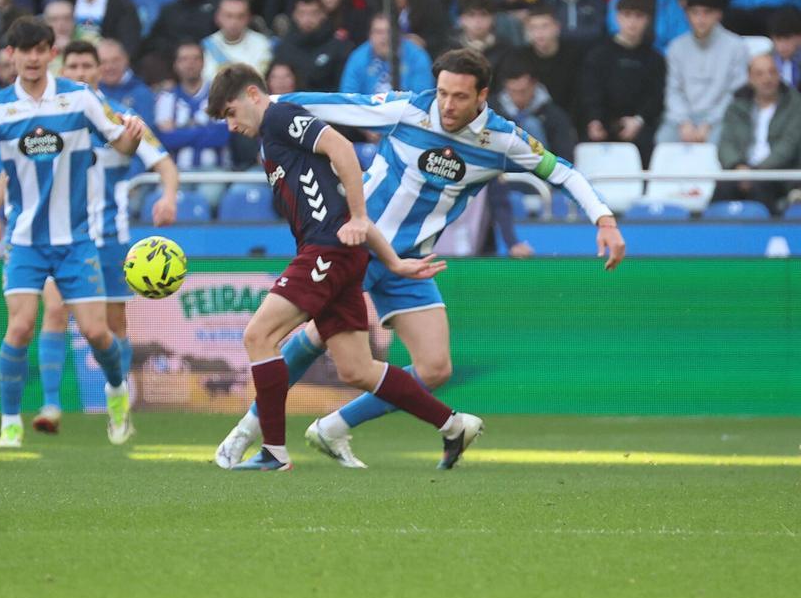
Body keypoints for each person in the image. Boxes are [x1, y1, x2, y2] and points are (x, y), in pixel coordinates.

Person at [213, 49, 625, 470]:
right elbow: (330, 104)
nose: (446, 105)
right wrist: (264, 105)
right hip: (358, 241)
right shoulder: (409, 108)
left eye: (459, 97)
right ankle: (249, 432)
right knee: (313, 335)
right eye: (442, 93)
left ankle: (333, 427)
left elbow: (563, 172)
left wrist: (604, 219)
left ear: (482, 95)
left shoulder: (503, 141)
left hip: (410, 261)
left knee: (434, 367)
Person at [205, 62, 478, 472]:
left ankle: (273, 452)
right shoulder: (270, 141)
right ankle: (453, 423)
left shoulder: (280, 117)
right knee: (357, 370)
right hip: (340, 253)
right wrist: (393, 262)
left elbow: (342, 149)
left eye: (229, 112)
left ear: (252, 95)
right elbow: (336, 201)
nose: (230, 125)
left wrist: (356, 215)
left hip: (326, 252)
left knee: (259, 335)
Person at [0, 17, 145, 448]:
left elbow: (120, 143)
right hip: (24, 240)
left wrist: (134, 138)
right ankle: (10, 422)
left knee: (97, 333)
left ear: (51, 53)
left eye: (39, 49)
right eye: (22, 50)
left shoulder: (79, 99)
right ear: (12, 55)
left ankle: (116, 392)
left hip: (76, 240)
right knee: (21, 327)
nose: (31, 57)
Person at [31, 41, 179, 433]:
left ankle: (118, 405)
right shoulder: (48, 118)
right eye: (73, 65)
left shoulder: (123, 117)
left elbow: (163, 161)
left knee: (114, 324)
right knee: (56, 311)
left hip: (111, 237)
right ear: (63, 70)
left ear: (99, 71)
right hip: (62, 235)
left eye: (87, 65)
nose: (80, 72)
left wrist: (168, 195)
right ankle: (50, 406)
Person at [580, 0, 667, 164]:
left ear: (647, 20)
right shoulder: (598, 54)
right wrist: (595, 119)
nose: (632, 22)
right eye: (627, 15)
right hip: (602, 123)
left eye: (638, 16)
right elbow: (590, 90)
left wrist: (639, 120)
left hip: (641, 125)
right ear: (617, 17)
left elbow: (657, 95)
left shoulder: (655, 58)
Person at [658, 0, 749, 145]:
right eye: (695, 13)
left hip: (722, 117)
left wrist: (708, 123)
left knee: (718, 147)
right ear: (687, 15)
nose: (700, 19)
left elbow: (735, 93)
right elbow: (673, 90)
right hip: (682, 118)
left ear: (718, 15)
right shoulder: (677, 47)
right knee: (663, 143)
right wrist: (684, 122)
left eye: (707, 12)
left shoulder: (736, 46)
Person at [717, 53, 801, 209]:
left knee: (760, 190)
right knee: (722, 189)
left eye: (772, 72)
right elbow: (726, 143)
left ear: (779, 75)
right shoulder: (736, 107)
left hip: (778, 174)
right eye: (760, 74)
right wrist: (738, 167)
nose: (767, 79)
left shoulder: (795, 104)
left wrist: (756, 172)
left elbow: (788, 146)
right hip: (740, 171)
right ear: (750, 78)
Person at [155, 42, 231, 171]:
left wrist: (180, 131)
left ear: (203, 63)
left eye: (195, 58)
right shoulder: (166, 98)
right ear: (175, 65)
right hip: (176, 171)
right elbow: (165, 140)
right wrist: (206, 129)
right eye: (184, 59)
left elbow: (222, 136)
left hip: (213, 171)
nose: (190, 64)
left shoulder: (220, 94)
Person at [491, 58, 578, 161]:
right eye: (512, 91)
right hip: (503, 170)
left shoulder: (553, 115)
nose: (517, 98)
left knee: (531, 124)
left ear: (534, 84)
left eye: (522, 91)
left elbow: (565, 152)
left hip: (545, 170)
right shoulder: (493, 111)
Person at [272, 0, 353, 92]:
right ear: (294, 15)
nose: (307, 19)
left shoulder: (339, 46)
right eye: (302, 13)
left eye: (313, 13)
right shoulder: (283, 49)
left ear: (323, 14)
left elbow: (344, 89)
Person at [142, 0, 220, 66]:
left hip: (212, 60)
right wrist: (177, 51)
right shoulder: (168, 11)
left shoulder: (219, 6)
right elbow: (155, 41)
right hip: (174, 62)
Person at [513, 6, 586, 115]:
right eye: (533, 28)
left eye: (545, 26)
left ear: (557, 27)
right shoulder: (520, 57)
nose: (539, 33)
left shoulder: (575, 55)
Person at [339, 13, 435, 95]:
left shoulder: (417, 56)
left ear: (398, 34)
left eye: (389, 31)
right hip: (368, 115)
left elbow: (422, 96)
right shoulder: (358, 58)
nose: (384, 37)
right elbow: (348, 97)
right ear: (370, 35)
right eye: (378, 32)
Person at [201, 0, 273, 82]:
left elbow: (259, 78)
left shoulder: (262, 43)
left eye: (240, 16)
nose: (234, 22)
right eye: (229, 16)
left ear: (248, 18)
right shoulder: (206, 45)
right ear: (217, 17)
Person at [448, 0, 513, 83]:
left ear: (492, 19)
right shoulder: (450, 50)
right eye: (471, 15)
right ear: (461, 19)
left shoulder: (505, 49)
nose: (477, 21)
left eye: (483, 15)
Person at [98, 39, 157, 133]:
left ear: (126, 59)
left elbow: (146, 131)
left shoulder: (142, 92)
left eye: (115, 60)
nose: (109, 67)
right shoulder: (91, 91)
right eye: (103, 62)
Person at [768, 6, 801, 90]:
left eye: (787, 39)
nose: (782, 46)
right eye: (778, 39)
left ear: (799, 37)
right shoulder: (766, 61)